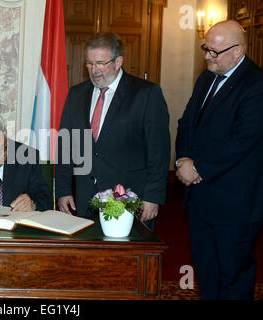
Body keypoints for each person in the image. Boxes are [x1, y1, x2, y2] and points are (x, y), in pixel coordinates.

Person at [175, 20, 263, 300]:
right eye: (206, 49)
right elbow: (186, 123)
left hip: (234, 204)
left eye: (215, 51)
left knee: (233, 277)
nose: (207, 57)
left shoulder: (256, 84)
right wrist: (183, 159)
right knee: (207, 272)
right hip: (201, 199)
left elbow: (241, 140)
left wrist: (197, 167)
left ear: (239, 51)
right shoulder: (206, 77)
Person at [55, 32, 170, 229]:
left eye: (101, 63)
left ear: (118, 62)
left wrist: (153, 197)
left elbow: (159, 152)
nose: (94, 70)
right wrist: (63, 190)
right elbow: (66, 144)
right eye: (89, 64)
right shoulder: (76, 94)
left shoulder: (146, 94)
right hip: (85, 198)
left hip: (129, 198)